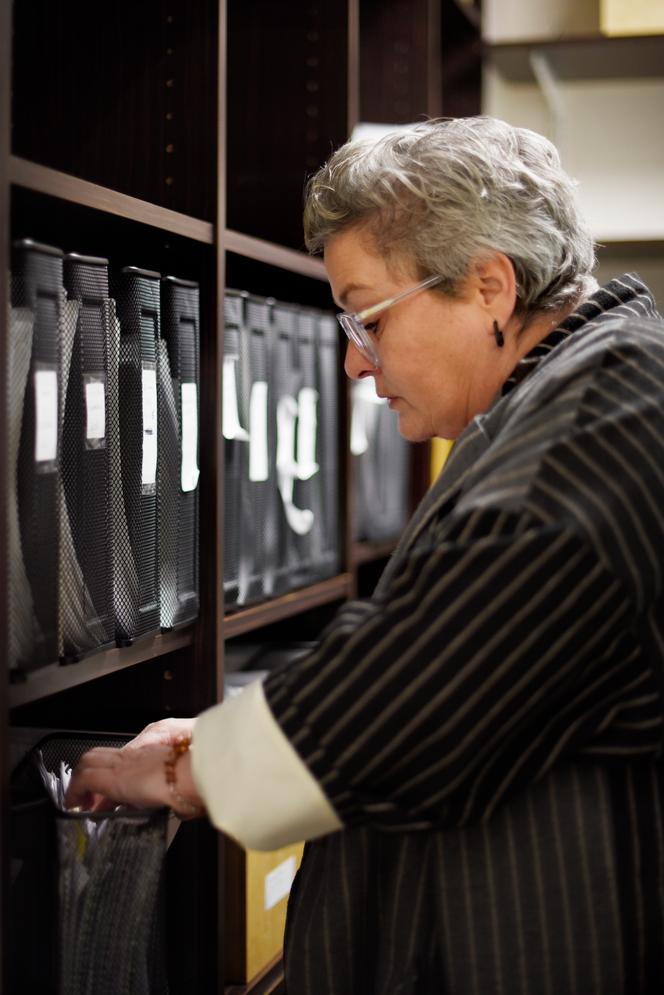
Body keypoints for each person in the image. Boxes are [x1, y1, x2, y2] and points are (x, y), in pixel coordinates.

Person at [66, 116, 664, 994]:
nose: (352, 361)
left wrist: (168, 769)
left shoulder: (607, 414)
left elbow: (418, 697)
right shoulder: (571, 402)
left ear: (489, 285)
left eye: (367, 315)